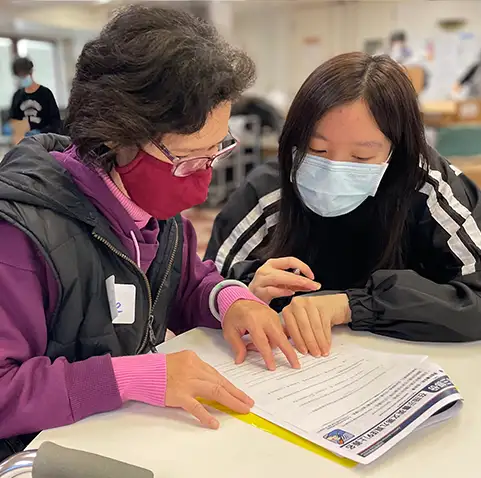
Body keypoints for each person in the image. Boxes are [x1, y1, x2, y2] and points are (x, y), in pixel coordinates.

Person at [0, 6, 299, 461]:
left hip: (123, 438)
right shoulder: (19, 235)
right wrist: (130, 378)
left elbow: (182, 282)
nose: (201, 183)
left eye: (215, 152)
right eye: (186, 159)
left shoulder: (150, 206)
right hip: (39, 455)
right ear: (115, 134)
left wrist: (229, 299)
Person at [205, 52, 481, 358]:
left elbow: (475, 298)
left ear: (397, 150)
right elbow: (203, 292)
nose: (334, 168)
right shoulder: (268, 192)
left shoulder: (429, 188)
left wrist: (352, 305)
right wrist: (242, 297)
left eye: (361, 158)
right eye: (316, 148)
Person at [9, 56, 61, 143]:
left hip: (45, 142)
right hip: (23, 143)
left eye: (24, 74)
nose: (22, 78)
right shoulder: (17, 96)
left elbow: (56, 122)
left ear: (31, 72)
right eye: (19, 75)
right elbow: (14, 120)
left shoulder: (45, 94)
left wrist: (41, 133)